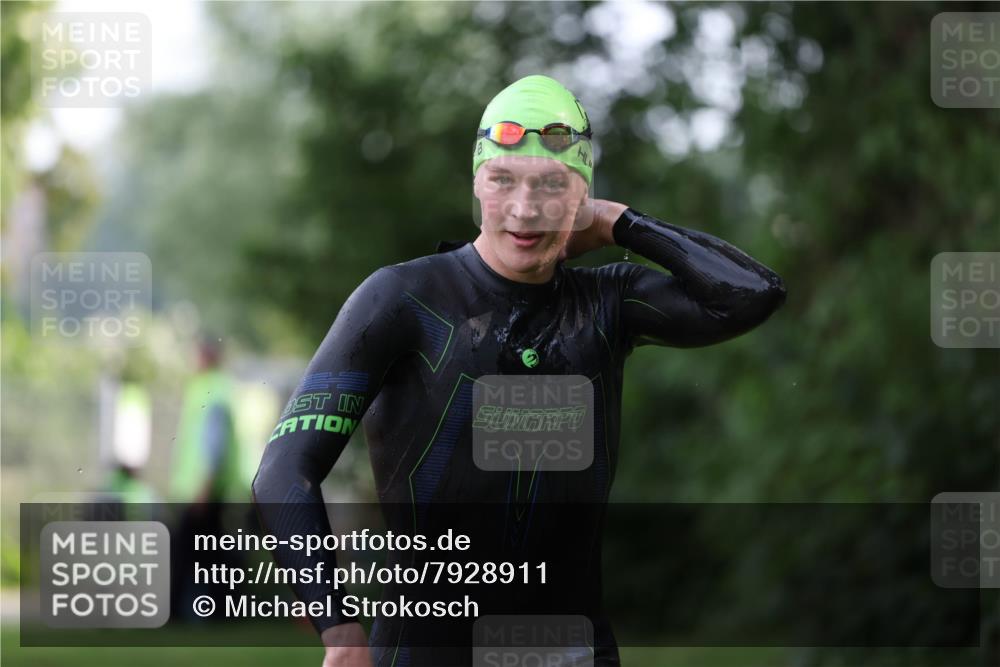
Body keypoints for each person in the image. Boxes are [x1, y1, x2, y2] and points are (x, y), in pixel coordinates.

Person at [252, 74, 787, 666]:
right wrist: (340, 631)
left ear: (581, 194)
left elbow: (751, 295)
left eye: (552, 185)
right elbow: (284, 469)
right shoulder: (406, 298)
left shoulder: (607, 302)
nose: (525, 209)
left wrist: (619, 223)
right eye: (503, 180)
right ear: (477, 183)